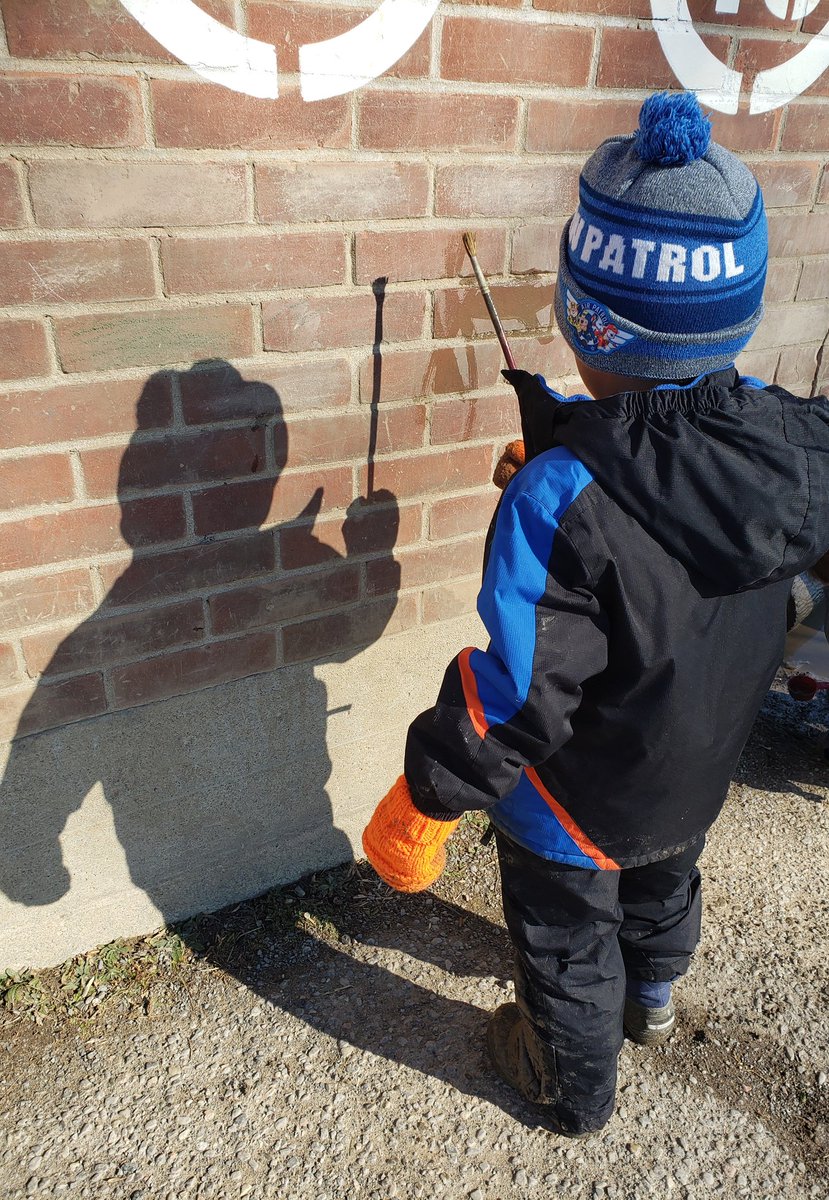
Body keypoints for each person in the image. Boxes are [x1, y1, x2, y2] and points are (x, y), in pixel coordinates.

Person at [360, 91, 829, 1138]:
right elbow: (678, 479)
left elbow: (516, 693)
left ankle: (566, 1085)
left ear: (585, 319)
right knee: (663, 888)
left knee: (565, 943)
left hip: (572, 803)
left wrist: (426, 800)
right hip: (699, 769)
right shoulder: (794, 445)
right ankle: (652, 999)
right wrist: (573, 455)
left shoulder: (555, 501)